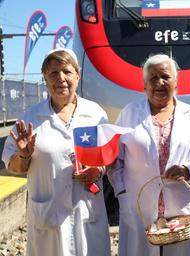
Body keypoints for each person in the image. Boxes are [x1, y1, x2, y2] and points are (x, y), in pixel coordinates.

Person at [2, 48, 111, 256]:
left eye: (67, 72)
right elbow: (12, 165)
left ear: (77, 76)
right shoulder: (30, 118)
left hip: (87, 213)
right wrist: (24, 156)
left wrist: (99, 170)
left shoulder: (95, 114)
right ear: (45, 79)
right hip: (49, 216)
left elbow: (110, 156)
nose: (61, 78)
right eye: (53, 73)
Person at [108, 54, 190, 256]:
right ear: (144, 85)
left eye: (165, 76)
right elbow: (116, 160)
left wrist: (188, 170)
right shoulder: (129, 113)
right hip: (139, 207)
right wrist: (122, 193)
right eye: (153, 78)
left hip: (182, 211)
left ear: (176, 82)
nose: (159, 83)